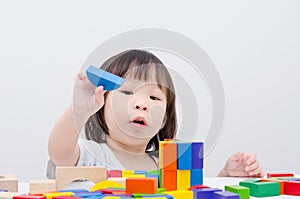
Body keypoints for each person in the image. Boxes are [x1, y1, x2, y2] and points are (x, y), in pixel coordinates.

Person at [47, 49, 263, 178]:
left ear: (164, 120)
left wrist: (225, 177)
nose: (142, 105)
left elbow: (193, 193)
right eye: (128, 92)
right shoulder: (91, 155)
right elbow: (59, 153)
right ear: (102, 106)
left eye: (154, 98)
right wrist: (78, 112)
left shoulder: (169, 163)